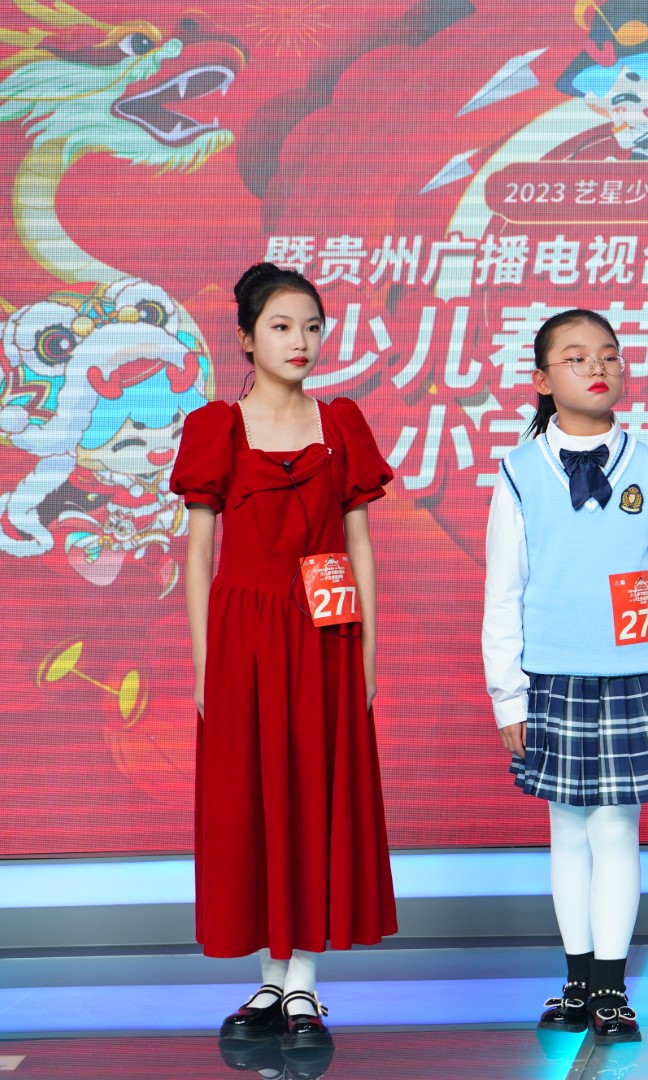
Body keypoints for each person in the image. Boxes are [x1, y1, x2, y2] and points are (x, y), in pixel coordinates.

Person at [172, 263, 397, 1058]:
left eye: (312, 327)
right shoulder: (216, 427)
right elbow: (199, 555)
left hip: (325, 631)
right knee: (253, 799)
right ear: (245, 338)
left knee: (313, 794)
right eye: (280, 326)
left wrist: (366, 651)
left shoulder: (340, 422)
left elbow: (359, 545)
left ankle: (303, 980)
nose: (300, 341)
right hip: (244, 632)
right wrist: (204, 664)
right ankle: (271, 980)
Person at [483, 308, 648, 1044]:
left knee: (616, 830)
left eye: (608, 354)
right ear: (542, 380)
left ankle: (611, 988)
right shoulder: (519, 472)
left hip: (633, 677)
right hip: (550, 678)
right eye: (575, 358)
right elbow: (503, 591)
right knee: (566, 832)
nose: (597, 367)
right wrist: (508, 693)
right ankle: (577, 981)